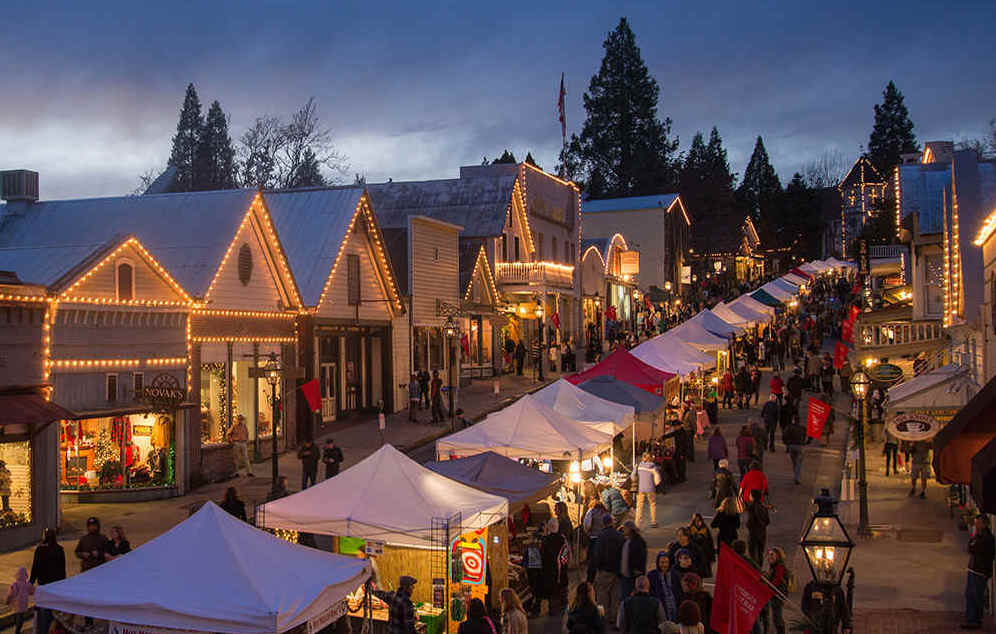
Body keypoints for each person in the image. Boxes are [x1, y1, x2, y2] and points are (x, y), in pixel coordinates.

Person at [963, 515, 995, 629]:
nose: (975, 525)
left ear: (984, 524)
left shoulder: (986, 538)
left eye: (977, 523)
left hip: (979, 571)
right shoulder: (979, 536)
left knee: (975, 595)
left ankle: (974, 620)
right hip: (974, 569)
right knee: (970, 594)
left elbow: (973, 548)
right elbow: (970, 546)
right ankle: (971, 618)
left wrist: (973, 543)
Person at [30, 528, 65, 634]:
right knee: (55, 612)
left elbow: (35, 567)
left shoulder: (40, 550)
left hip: (44, 585)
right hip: (55, 586)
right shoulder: (59, 549)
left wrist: (31, 582)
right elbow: (62, 569)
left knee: (44, 611)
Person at [593, 515, 625, 624]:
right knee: (616, 596)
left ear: (603, 523)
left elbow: (598, 554)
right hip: (618, 570)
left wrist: (598, 567)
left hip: (605, 570)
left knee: (603, 595)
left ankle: (603, 618)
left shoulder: (601, 536)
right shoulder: (620, 535)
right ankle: (615, 618)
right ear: (612, 522)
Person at [540, 518, 568, 613]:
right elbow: (565, 556)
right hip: (560, 570)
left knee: (552, 590)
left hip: (548, 570)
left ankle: (553, 608)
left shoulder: (545, 540)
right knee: (561, 589)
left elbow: (542, 555)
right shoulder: (562, 540)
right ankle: (562, 606)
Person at [761, 547, 789, 634]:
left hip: (777, 594)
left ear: (778, 556)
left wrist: (768, 587)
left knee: (777, 616)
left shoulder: (779, 567)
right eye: (769, 555)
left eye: (772, 554)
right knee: (775, 615)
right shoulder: (774, 567)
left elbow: (776, 580)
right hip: (774, 594)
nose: (770, 557)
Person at [648, 551, 679, 623]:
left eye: (666, 562)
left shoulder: (674, 575)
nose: (664, 565)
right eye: (662, 562)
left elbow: (678, 592)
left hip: (674, 608)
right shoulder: (652, 575)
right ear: (658, 563)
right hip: (660, 609)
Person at [620, 520, 648, 600]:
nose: (623, 530)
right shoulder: (627, 541)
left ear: (629, 529)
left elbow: (641, 558)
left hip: (633, 576)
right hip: (625, 576)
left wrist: (638, 570)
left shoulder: (638, 542)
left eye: (625, 528)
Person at [634, 453, 661, 528]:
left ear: (643, 458)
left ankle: (637, 524)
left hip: (641, 488)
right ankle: (653, 521)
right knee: (652, 504)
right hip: (650, 488)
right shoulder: (653, 466)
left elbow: (633, 476)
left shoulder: (638, 466)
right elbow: (658, 479)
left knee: (639, 506)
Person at [5, 567, 33, 634]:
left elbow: (10, 594)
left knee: (17, 615)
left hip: (16, 604)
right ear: (26, 575)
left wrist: (7, 601)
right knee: (21, 616)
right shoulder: (27, 584)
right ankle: (18, 629)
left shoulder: (15, 584)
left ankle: (17, 629)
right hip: (23, 604)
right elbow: (32, 591)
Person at [745, 490, 770, 566]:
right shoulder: (763, 507)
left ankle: (754, 570)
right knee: (760, 552)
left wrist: (748, 525)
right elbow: (767, 521)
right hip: (762, 532)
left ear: (753, 497)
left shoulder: (752, 507)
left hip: (753, 533)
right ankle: (760, 568)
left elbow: (750, 521)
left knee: (752, 553)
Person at [783, 420, 807, 485]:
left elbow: (784, 435)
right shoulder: (803, 428)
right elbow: (807, 435)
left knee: (794, 462)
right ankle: (797, 477)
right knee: (798, 463)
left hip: (791, 445)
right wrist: (806, 442)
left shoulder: (789, 427)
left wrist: (786, 443)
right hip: (800, 446)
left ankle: (796, 476)